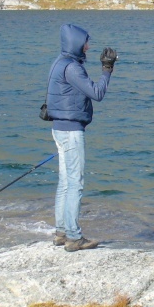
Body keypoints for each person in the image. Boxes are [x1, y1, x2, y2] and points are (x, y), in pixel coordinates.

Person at [46, 23, 117, 252]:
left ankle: (61, 232)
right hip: (71, 131)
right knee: (75, 183)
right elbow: (97, 93)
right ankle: (74, 238)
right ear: (77, 43)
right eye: (86, 41)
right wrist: (107, 70)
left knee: (65, 183)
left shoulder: (59, 62)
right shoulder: (73, 68)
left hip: (59, 128)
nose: (88, 46)